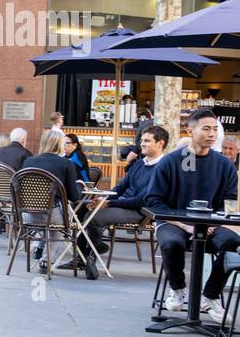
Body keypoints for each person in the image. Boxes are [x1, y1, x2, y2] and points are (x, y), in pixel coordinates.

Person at [147, 108, 240, 322]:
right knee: (171, 243)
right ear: (190, 131)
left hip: (211, 224)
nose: (212, 134)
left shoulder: (225, 165)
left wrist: (212, 223)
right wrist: (187, 225)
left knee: (233, 242)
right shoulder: (170, 162)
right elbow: (154, 202)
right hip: (172, 222)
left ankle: (210, 295)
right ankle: (177, 289)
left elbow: (229, 202)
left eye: (215, 129)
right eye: (206, 129)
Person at [81, 125, 168, 278]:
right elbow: (120, 187)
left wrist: (109, 203)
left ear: (160, 143)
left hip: (140, 211)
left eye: (147, 141)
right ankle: (89, 251)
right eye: (141, 141)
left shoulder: (163, 167)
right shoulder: (139, 163)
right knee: (82, 208)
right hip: (122, 204)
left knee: (94, 217)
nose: (142, 144)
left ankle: (89, 257)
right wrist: (103, 199)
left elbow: (142, 200)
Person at [19, 131, 84, 275]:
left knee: (50, 223)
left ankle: (40, 246)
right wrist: (80, 186)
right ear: (59, 144)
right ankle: (46, 260)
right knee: (59, 228)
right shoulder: (66, 163)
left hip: (27, 214)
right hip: (51, 214)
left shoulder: (29, 161)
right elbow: (73, 196)